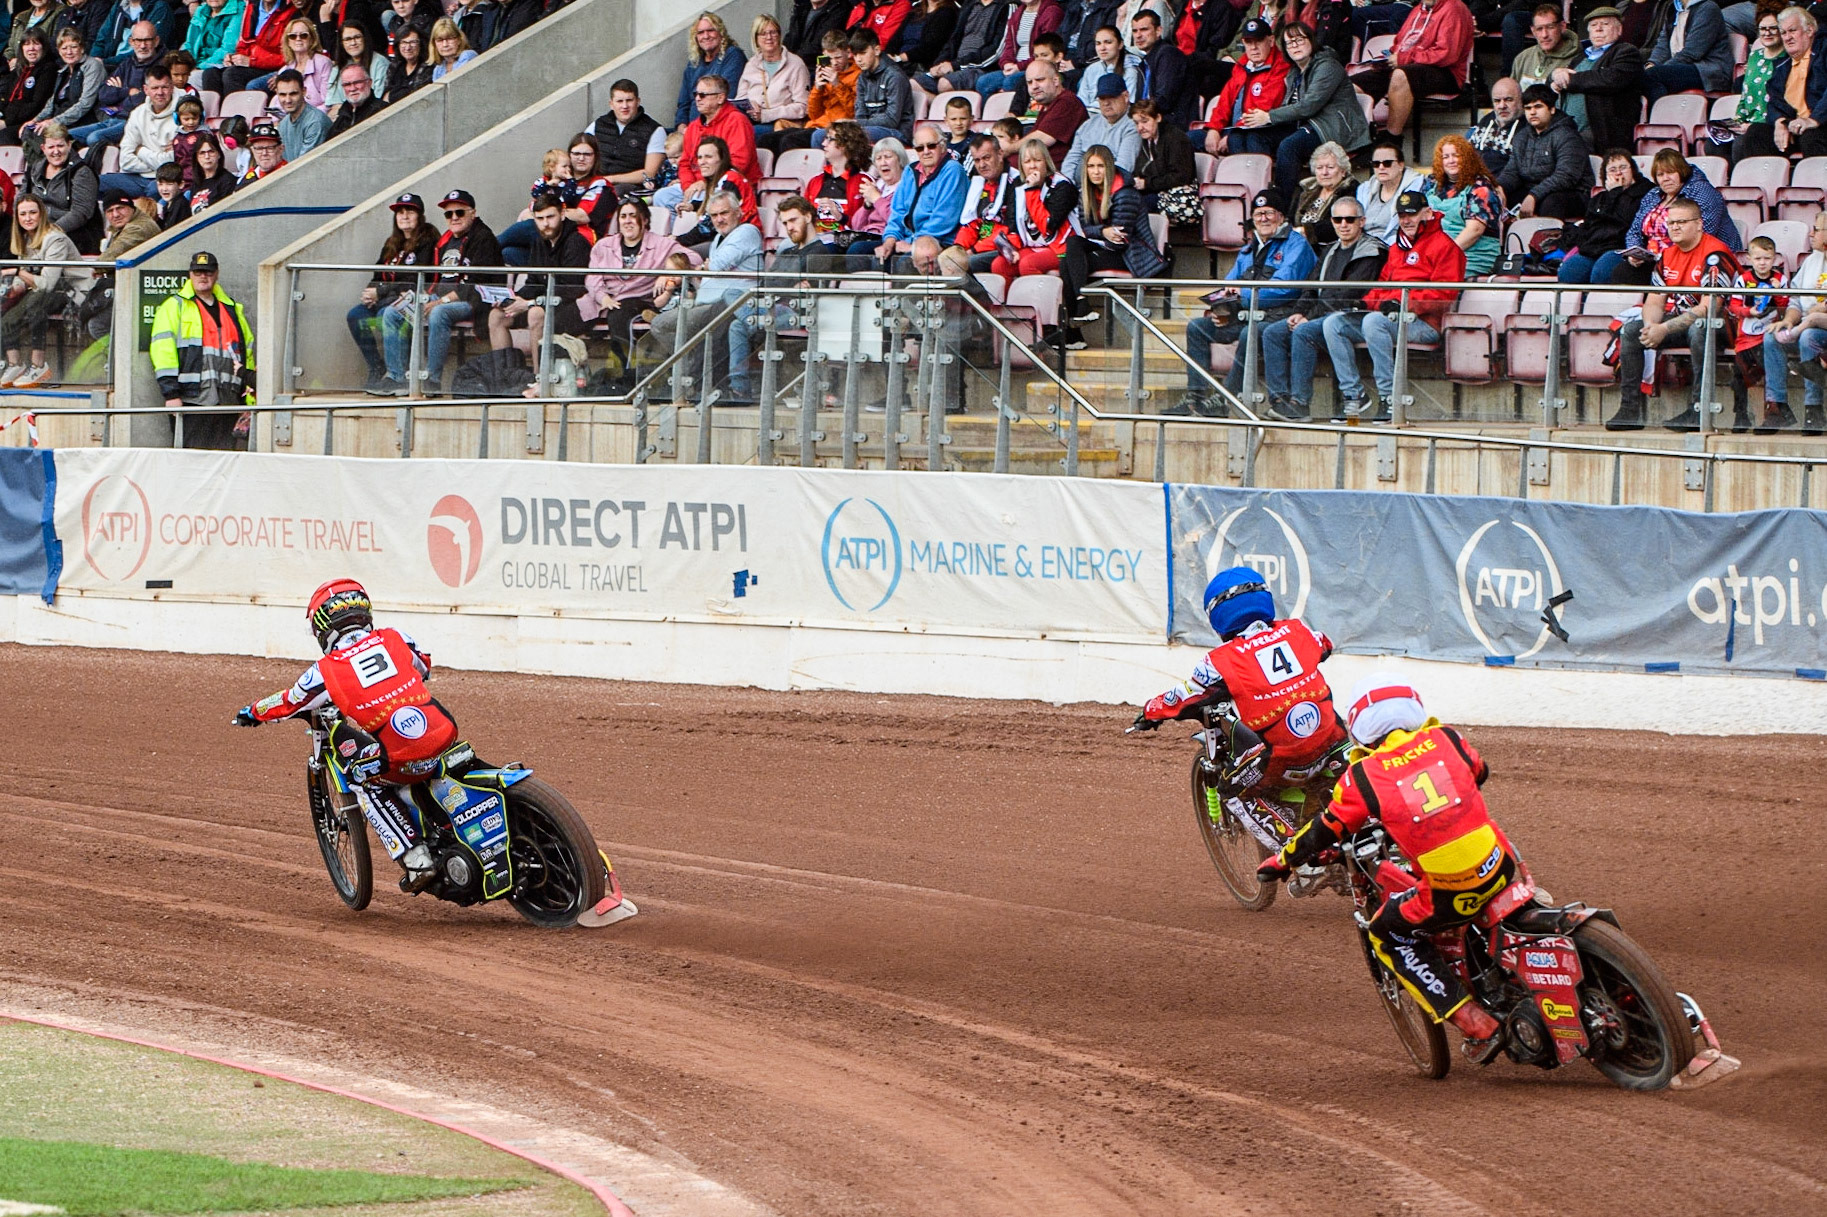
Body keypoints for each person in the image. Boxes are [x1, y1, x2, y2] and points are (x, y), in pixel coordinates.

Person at [1257, 675, 1514, 1061]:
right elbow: (1479, 772)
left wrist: (1282, 861)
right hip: (1503, 864)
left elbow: (1326, 829)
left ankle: (1476, 1024)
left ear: (1362, 729)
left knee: (1387, 932)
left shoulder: (1363, 776)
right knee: (1505, 861)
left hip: (1451, 890)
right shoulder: (1447, 738)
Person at [234, 580, 459, 893]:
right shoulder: (396, 637)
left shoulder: (325, 670)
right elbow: (423, 668)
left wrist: (254, 711)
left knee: (360, 778)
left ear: (323, 629)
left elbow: (290, 701)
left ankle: (415, 857)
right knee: (438, 759)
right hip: (443, 730)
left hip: (400, 755)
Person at [1132, 566, 1351, 861]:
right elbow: (1325, 644)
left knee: (1231, 789)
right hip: (1335, 740)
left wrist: (1151, 711)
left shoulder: (1218, 661)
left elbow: (1183, 696)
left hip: (1285, 759)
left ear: (1218, 616)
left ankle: (1300, 851)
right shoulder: (1298, 630)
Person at [1320, 189, 1463, 419]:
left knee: (1374, 322)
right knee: (1334, 323)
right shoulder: (1397, 247)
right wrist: (1363, 301)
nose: (1406, 220)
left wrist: (1404, 304)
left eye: (1412, 214)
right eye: (1401, 215)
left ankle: (1389, 398)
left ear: (1427, 213)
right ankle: (1353, 396)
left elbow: (1444, 295)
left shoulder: (1446, 246)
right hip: (1392, 317)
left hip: (1425, 324)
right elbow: (1382, 285)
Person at [1176, 189, 1315, 414]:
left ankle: (1224, 398)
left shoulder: (1296, 244)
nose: (1263, 219)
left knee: (1248, 333)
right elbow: (1229, 285)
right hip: (1245, 314)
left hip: (1279, 317)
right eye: (1258, 214)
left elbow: (1284, 287)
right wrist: (1221, 307)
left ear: (1281, 216)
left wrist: (1242, 294)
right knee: (1198, 328)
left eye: (1269, 213)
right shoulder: (1249, 247)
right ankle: (1194, 397)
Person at [1606, 197, 1739, 431]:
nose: (1675, 227)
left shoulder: (1715, 253)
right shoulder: (1667, 255)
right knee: (1631, 330)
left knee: (1700, 329)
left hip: (1721, 324)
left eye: (1681, 222)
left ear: (1699, 224)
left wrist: (1664, 329)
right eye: (1671, 223)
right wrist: (1650, 328)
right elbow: (1655, 302)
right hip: (1681, 322)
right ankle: (1630, 410)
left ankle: (1699, 410)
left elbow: (1710, 307)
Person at [639, 189, 760, 397]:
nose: (719, 220)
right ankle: (691, 371)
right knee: (661, 326)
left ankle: (691, 376)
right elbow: (704, 263)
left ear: (738, 212)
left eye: (724, 213)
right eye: (714, 215)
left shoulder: (747, 231)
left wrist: (707, 267)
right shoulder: (717, 241)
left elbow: (718, 265)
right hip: (704, 303)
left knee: (662, 324)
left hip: (732, 304)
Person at [1273, 194, 1384, 418]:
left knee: (1304, 332)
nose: (1343, 225)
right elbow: (1312, 287)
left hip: (1352, 315)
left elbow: (1347, 295)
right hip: (1321, 315)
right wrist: (1300, 311)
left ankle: (1300, 402)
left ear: (1362, 221)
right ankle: (1279, 400)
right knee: (1272, 332)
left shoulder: (1372, 251)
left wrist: (1309, 317)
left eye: (1350, 220)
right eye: (1337, 220)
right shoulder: (1330, 249)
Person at [581, 196, 697, 389]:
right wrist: (602, 297)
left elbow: (691, 258)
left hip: (640, 300)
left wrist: (667, 273)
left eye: (632, 216)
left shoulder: (661, 244)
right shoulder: (604, 245)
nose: (627, 221)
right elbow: (592, 278)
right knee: (560, 318)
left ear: (644, 220)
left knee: (619, 315)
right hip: (601, 301)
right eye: (623, 216)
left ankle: (623, 379)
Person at [1058, 142, 1164, 344]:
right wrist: (1103, 231)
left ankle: (1073, 332)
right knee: (1070, 249)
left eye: (1100, 166)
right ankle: (1079, 311)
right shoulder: (1086, 193)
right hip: (1106, 246)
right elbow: (1086, 228)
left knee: (1069, 261)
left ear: (1109, 167)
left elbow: (1119, 240)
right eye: (1091, 166)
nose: (1095, 172)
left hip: (1131, 254)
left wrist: (1102, 233)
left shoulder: (1125, 193)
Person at [149, 249, 253, 449]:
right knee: (192, 460)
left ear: (217, 274)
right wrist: (171, 395)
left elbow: (246, 353)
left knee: (224, 462)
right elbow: (163, 354)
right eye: (198, 272)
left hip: (228, 401)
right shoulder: (174, 307)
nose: (203, 277)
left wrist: (249, 400)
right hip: (192, 400)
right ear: (190, 274)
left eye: (208, 272)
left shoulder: (232, 309)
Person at [400, 188, 500, 392]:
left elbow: (474, 285)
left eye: (459, 212)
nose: (454, 218)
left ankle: (432, 380)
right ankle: (397, 377)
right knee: (395, 312)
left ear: (472, 212)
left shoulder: (483, 237)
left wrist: (440, 301)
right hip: (441, 296)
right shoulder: (446, 239)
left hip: (474, 301)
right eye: (449, 214)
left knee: (438, 313)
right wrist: (424, 297)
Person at [1594, 148, 1739, 286]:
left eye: (1670, 173)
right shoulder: (1653, 194)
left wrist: (1668, 257)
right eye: (1660, 175)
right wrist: (1635, 253)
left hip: (1696, 257)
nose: (1665, 179)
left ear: (1681, 172)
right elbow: (1634, 230)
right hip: (1654, 259)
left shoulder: (1702, 191)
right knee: (1622, 272)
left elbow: (1702, 232)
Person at [487, 189, 589, 378]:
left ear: (563, 214)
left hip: (573, 309)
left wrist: (531, 303)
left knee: (535, 314)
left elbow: (571, 290)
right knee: (497, 315)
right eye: (540, 218)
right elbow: (534, 282)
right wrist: (512, 299)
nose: (545, 224)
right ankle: (504, 377)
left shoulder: (576, 242)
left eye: (550, 217)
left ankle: (539, 378)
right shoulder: (539, 242)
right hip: (543, 303)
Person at [1259, 21, 1364, 203]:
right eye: (1290, 43)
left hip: (1333, 128)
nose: (1295, 46)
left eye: (1299, 40)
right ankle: (1262, 202)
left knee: (1289, 146)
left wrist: (1269, 116)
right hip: (1307, 124)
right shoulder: (1294, 73)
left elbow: (1309, 106)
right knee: (1253, 136)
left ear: (1311, 40)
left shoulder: (1328, 66)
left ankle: (1280, 206)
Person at [347, 190, 437, 394]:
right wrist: (370, 293)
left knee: (383, 315)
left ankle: (397, 375)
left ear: (420, 216)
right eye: (400, 212)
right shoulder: (392, 243)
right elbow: (377, 274)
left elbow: (414, 279)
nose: (404, 216)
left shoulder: (428, 241)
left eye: (410, 212)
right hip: (385, 299)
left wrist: (380, 293)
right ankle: (376, 367)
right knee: (355, 315)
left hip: (410, 301)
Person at [1348, 0, 1473, 140]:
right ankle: (1360, 139)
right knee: (1350, 86)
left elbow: (1447, 55)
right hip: (1411, 65)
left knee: (1400, 75)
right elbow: (1399, 43)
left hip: (1447, 73)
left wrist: (1403, 59)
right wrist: (1387, 59)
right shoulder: (1419, 9)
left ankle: (1392, 139)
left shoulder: (1454, 7)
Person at [0, 193, 89, 387]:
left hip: (74, 292)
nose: (28, 218)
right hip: (46, 292)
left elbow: (48, 283)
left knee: (35, 302)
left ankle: (39, 365)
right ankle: (15, 364)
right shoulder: (23, 239)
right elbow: (27, 278)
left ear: (42, 214)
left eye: (33, 212)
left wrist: (17, 271)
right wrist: (13, 288)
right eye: (23, 214)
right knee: (8, 317)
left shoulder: (55, 239)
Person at [1759, 212, 1827, 433]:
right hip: (1804, 325)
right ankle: (1777, 408)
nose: (1811, 234)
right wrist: (1788, 320)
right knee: (1771, 337)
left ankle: (1813, 410)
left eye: (1816, 229)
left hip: (1819, 330)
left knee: (1809, 338)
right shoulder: (1812, 260)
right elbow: (1795, 299)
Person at [869, 118, 966, 269]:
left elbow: (944, 220)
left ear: (942, 146)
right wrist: (889, 241)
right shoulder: (910, 171)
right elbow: (898, 212)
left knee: (904, 264)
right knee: (865, 254)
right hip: (909, 239)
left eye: (931, 146)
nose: (926, 151)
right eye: (920, 148)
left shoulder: (953, 170)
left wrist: (914, 244)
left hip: (938, 242)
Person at [1551, 6, 1644, 158]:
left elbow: (1609, 79)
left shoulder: (1626, 52)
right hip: (1566, 129)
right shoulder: (1581, 57)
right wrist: (1555, 74)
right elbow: (1557, 76)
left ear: (1619, 29)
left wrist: (1569, 79)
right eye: (1594, 26)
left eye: (1605, 24)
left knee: (1566, 149)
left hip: (1601, 133)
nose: (1598, 29)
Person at [658, 71, 758, 211]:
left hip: (727, 186)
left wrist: (705, 183)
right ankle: (683, 231)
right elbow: (685, 163)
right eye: (696, 94)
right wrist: (688, 186)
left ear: (720, 98)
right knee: (662, 197)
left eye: (703, 95)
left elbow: (738, 163)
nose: (698, 99)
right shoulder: (693, 126)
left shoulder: (737, 121)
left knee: (702, 198)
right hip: (697, 186)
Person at [986, 134, 1074, 287]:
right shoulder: (1018, 186)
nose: (1032, 166)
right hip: (1031, 246)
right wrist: (1010, 249)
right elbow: (1012, 224)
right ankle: (1004, 310)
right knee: (1000, 264)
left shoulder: (1062, 186)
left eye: (1037, 160)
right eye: (1027, 162)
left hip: (1060, 248)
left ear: (1046, 162)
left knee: (1028, 264)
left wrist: (1032, 190)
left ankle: (1037, 310)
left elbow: (1047, 226)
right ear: (1021, 166)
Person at [1555, 149, 1651, 283]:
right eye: (1612, 169)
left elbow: (1625, 221)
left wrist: (1616, 193)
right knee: (1568, 272)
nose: (1618, 173)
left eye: (1623, 167)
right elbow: (1589, 226)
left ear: (1633, 170)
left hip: (1619, 248)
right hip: (1593, 249)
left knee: (1601, 272)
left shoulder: (1644, 194)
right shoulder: (1599, 198)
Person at [1493, 83, 1585, 219]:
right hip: (1535, 190)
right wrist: (1499, 187)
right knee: (1497, 197)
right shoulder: (1522, 136)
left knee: (1551, 202)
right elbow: (1512, 172)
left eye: (1538, 107)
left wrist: (1533, 196)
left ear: (1552, 109)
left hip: (1571, 193)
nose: (1532, 112)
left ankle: (1548, 239)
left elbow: (1565, 176)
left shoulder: (1567, 135)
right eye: (1528, 108)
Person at [1725, 234, 1785, 433]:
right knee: (1738, 377)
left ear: (1775, 259)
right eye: (1758, 258)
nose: (1762, 263)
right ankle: (1741, 415)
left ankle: (1773, 415)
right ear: (1749, 259)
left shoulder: (1780, 280)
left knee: (1770, 374)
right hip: (1745, 339)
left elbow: (1788, 307)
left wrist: (1779, 294)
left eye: (1767, 258)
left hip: (1769, 337)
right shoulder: (1743, 280)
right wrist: (1748, 311)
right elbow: (1733, 306)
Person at [1204, 17, 1287, 157]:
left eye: (1259, 41)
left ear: (1271, 41)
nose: (1253, 47)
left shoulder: (1280, 66)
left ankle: (1248, 178)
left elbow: (1265, 106)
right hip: (1234, 128)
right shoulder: (1242, 65)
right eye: (1249, 42)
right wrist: (1214, 129)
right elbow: (1224, 101)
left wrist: (1232, 133)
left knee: (1240, 140)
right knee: (1190, 138)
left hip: (1261, 128)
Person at [85, 186, 158, 340]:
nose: (116, 214)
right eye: (110, 211)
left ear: (131, 208)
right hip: (136, 289)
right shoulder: (123, 226)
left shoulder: (138, 227)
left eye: (120, 208)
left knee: (97, 325)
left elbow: (109, 258)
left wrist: (99, 267)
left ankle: (117, 363)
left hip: (147, 294)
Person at [1759, 5, 1827, 159]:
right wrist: (1780, 122)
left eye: (1792, 31)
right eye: (1783, 33)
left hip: (1821, 125)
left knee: (1811, 137)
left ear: (1809, 30)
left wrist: (1814, 120)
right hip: (1795, 127)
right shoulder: (1782, 65)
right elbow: (1774, 100)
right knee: (1755, 135)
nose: (1787, 37)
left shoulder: (1824, 51)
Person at [669, 133, 759, 247]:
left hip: (742, 242)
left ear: (722, 159)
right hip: (726, 239)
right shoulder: (721, 179)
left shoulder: (730, 181)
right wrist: (694, 206)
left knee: (677, 252)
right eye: (700, 157)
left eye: (708, 157)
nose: (702, 162)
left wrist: (678, 240)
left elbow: (708, 227)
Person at [24, 30, 105, 154]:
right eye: (64, 48)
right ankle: (41, 169)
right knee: (28, 131)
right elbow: (51, 102)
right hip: (60, 120)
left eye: (73, 47)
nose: (69, 52)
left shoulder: (92, 66)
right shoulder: (63, 71)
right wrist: (35, 120)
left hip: (83, 120)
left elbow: (85, 104)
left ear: (82, 48)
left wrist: (54, 122)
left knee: (44, 138)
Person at [25, 123, 100, 251]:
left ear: (69, 145)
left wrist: (48, 233)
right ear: (43, 148)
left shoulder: (82, 172)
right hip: (36, 231)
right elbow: (21, 199)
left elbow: (80, 212)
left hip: (72, 236)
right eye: (51, 147)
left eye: (60, 146)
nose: (56, 151)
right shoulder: (35, 169)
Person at [829, 27, 910, 144]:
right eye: (855, 55)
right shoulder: (862, 77)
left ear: (877, 50)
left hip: (897, 132)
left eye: (862, 53)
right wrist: (857, 123)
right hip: (868, 128)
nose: (858, 59)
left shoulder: (894, 76)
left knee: (843, 136)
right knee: (819, 135)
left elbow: (892, 120)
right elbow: (860, 115)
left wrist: (856, 123)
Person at [1642, 0, 1732, 105]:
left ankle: (1663, 117)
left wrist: (1660, 69)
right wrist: (1651, 64)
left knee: (1654, 75)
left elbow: (1693, 52)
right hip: (1681, 65)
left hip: (1709, 72)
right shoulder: (1673, 8)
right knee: (1639, 74)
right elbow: (1662, 45)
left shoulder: (1708, 8)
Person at [1725, 11, 1786, 164]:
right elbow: (1746, 94)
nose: (1767, 33)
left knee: (1742, 143)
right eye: (1763, 29)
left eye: (1773, 28)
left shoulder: (1788, 58)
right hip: (1748, 123)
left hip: (1769, 125)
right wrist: (1738, 121)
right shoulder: (1755, 56)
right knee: (1714, 144)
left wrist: (1751, 125)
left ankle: (1744, 184)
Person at [804, 118, 873, 251]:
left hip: (844, 246)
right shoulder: (815, 181)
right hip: (815, 243)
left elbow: (866, 226)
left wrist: (841, 217)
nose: (823, 143)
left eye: (830, 139)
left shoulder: (864, 182)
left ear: (846, 144)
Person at [948, 129, 1012, 268]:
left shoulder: (1015, 183)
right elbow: (971, 223)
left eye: (986, 158)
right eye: (977, 160)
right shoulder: (977, 183)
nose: (982, 165)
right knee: (947, 259)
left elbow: (1011, 229)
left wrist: (974, 250)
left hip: (1004, 247)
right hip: (979, 247)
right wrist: (958, 248)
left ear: (1000, 154)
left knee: (966, 264)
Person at [914, 0, 1009, 92]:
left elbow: (996, 51)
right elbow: (953, 40)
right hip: (956, 64)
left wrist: (955, 65)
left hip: (981, 68)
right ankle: (940, 103)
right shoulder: (969, 4)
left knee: (945, 84)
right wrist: (938, 64)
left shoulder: (1006, 6)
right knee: (913, 83)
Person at [739, 13, 810, 135]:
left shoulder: (796, 64)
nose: (769, 37)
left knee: (748, 134)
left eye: (773, 32)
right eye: (763, 33)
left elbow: (803, 107)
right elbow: (740, 99)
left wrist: (768, 114)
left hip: (782, 124)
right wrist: (751, 106)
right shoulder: (751, 65)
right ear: (756, 38)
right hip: (752, 121)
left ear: (779, 35)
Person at [972, 0, 1061, 96]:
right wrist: (1006, 63)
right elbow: (1009, 45)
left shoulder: (1051, 12)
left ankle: (1015, 110)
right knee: (983, 82)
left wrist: (1019, 67)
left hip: (1036, 67)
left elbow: (1045, 51)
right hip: (1015, 67)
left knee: (1010, 82)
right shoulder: (1017, 13)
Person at [591, 78, 666, 191]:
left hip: (630, 188)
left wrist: (610, 179)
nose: (624, 106)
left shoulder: (655, 130)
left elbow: (649, 174)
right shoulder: (598, 125)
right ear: (611, 104)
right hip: (596, 182)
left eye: (629, 100)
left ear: (638, 101)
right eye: (619, 101)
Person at [676, 11, 746, 128]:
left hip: (717, 126)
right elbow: (683, 104)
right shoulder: (693, 63)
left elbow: (726, 97)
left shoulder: (733, 55)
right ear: (696, 37)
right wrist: (682, 128)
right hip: (691, 128)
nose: (706, 36)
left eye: (710, 30)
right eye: (701, 32)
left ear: (720, 33)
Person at [842, 133, 904, 263]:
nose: (883, 163)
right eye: (878, 158)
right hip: (867, 235)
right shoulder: (878, 186)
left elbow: (898, 220)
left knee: (857, 250)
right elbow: (857, 226)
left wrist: (877, 199)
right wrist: (867, 205)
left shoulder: (906, 186)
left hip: (889, 238)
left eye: (888, 157)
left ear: (900, 160)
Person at [1059, 68, 1134, 176]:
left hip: (1112, 186)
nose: (1106, 103)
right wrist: (1067, 185)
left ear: (1126, 96)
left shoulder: (1134, 123)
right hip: (1080, 187)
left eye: (1112, 97)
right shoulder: (1088, 125)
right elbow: (1071, 160)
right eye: (1102, 98)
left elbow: (1124, 167)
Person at [1129, 9, 1194, 130]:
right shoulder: (1145, 60)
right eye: (1135, 31)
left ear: (1158, 31)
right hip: (1149, 120)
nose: (1138, 35)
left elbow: (1164, 100)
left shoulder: (1168, 54)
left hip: (1171, 125)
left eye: (1144, 29)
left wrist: (1137, 114)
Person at [1128, 96, 1192, 216]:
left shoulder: (1176, 139)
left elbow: (1181, 176)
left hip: (1171, 194)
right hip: (1152, 190)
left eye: (1145, 121)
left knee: (1135, 205)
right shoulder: (1147, 140)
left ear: (1158, 118)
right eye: (1136, 123)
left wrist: (1147, 183)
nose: (1140, 128)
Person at [1355, 135, 1425, 243]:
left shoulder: (1417, 188)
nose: (1381, 167)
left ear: (1401, 165)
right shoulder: (1364, 190)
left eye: (1387, 163)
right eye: (1376, 164)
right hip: (1363, 246)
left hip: (1394, 247)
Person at [218, 0, 298, 95]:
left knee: (233, 75)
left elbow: (289, 57)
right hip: (254, 64)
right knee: (211, 74)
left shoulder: (290, 11)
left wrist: (252, 61)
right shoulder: (252, 7)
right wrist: (234, 58)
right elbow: (243, 44)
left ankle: (240, 109)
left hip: (275, 67)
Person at [1290, 138, 1352, 249]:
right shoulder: (1306, 189)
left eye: (1330, 167)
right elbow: (1290, 218)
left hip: (1327, 249)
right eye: (1319, 168)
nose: (1324, 172)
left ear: (1343, 171)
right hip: (1298, 247)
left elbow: (1338, 225)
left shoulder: (1349, 191)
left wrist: (1306, 231)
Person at [0, 33, 58, 148]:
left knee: (3, 136)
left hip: (29, 121)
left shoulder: (49, 69)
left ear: (43, 47)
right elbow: (5, 98)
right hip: (8, 119)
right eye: (26, 44)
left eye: (36, 44)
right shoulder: (19, 70)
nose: (31, 48)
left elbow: (36, 104)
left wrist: (6, 122)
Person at [324, 22, 387, 123]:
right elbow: (334, 103)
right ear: (341, 43)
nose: (353, 43)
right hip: (346, 116)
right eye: (348, 39)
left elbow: (377, 97)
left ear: (364, 39)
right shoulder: (338, 67)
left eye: (357, 37)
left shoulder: (380, 63)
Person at [1464, 75, 1520, 179]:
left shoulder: (1527, 127)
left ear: (1520, 100)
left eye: (1508, 100)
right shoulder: (1486, 120)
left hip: (1502, 185)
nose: (1502, 106)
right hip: (1474, 182)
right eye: (1497, 101)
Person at [1510, 3, 1577, 89]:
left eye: (1550, 27)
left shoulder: (1578, 59)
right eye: (1539, 29)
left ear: (1562, 26)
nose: (1544, 35)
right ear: (1533, 31)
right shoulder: (1522, 58)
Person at [183, 0, 245, 90]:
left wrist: (199, 66)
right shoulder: (201, 10)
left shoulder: (238, 10)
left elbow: (228, 48)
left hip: (220, 64)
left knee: (191, 78)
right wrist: (184, 65)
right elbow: (189, 44)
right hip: (196, 65)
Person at [270, 66, 327, 158]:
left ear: (304, 91)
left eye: (293, 94)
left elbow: (305, 164)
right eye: (283, 95)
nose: (288, 100)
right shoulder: (283, 124)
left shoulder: (315, 122)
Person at [1075, 23, 1138, 105]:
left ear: (1120, 44)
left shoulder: (1130, 72)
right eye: (1098, 43)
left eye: (1108, 42)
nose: (1102, 48)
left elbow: (1128, 105)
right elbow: (1081, 101)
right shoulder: (1091, 69)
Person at [889, 0, 959, 70]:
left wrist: (899, 58)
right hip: (899, 61)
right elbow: (897, 37)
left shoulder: (947, 12)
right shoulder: (917, 8)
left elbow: (930, 47)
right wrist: (888, 55)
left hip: (920, 65)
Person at [326, 59, 382, 134]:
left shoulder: (382, 110)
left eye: (357, 82)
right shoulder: (342, 117)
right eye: (347, 84)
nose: (352, 88)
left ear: (369, 83)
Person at [789, 0, 853, 64]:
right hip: (796, 62)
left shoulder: (839, 9)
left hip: (819, 65)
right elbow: (790, 36)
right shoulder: (801, 8)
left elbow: (819, 45)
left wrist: (793, 59)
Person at [184, 130, 236, 209]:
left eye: (211, 151)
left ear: (218, 154)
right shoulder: (196, 183)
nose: (207, 157)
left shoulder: (228, 181)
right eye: (202, 153)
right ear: (196, 157)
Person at [384, 24, 431, 103]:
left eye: (413, 42)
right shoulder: (395, 67)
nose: (408, 47)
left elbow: (415, 96)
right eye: (403, 42)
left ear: (421, 44)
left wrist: (393, 95)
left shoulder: (428, 67)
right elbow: (384, 97)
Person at [234, 118, 284, 184]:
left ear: (281, 149)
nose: (264, 153)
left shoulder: (290, 173)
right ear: (252, 151)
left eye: (270, 148)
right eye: (259, 148)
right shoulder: (247, 179)